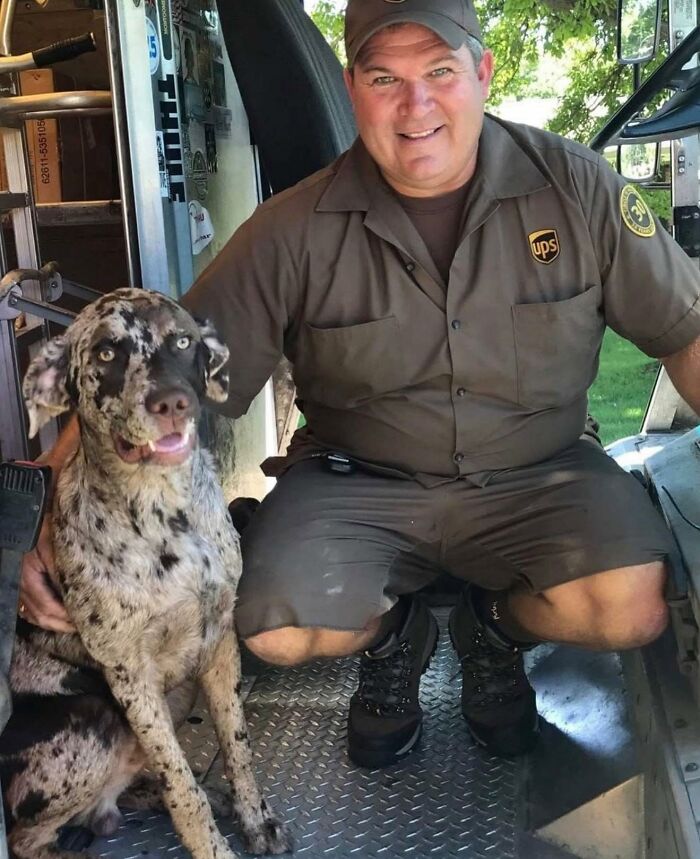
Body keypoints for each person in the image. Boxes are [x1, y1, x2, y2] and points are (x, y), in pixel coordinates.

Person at [20, 0, 700, 770]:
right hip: (358, 484)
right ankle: (396, 634)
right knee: (269, 623)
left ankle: (495, 630)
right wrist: (46, 509)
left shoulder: (576, 189)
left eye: (440, 71)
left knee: (632, 604)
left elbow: (687, 332)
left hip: (540, 474)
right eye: (386, 78)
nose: (416, 106)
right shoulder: (293, 228)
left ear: (482, 72)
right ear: (353, 88)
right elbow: (161, 365)